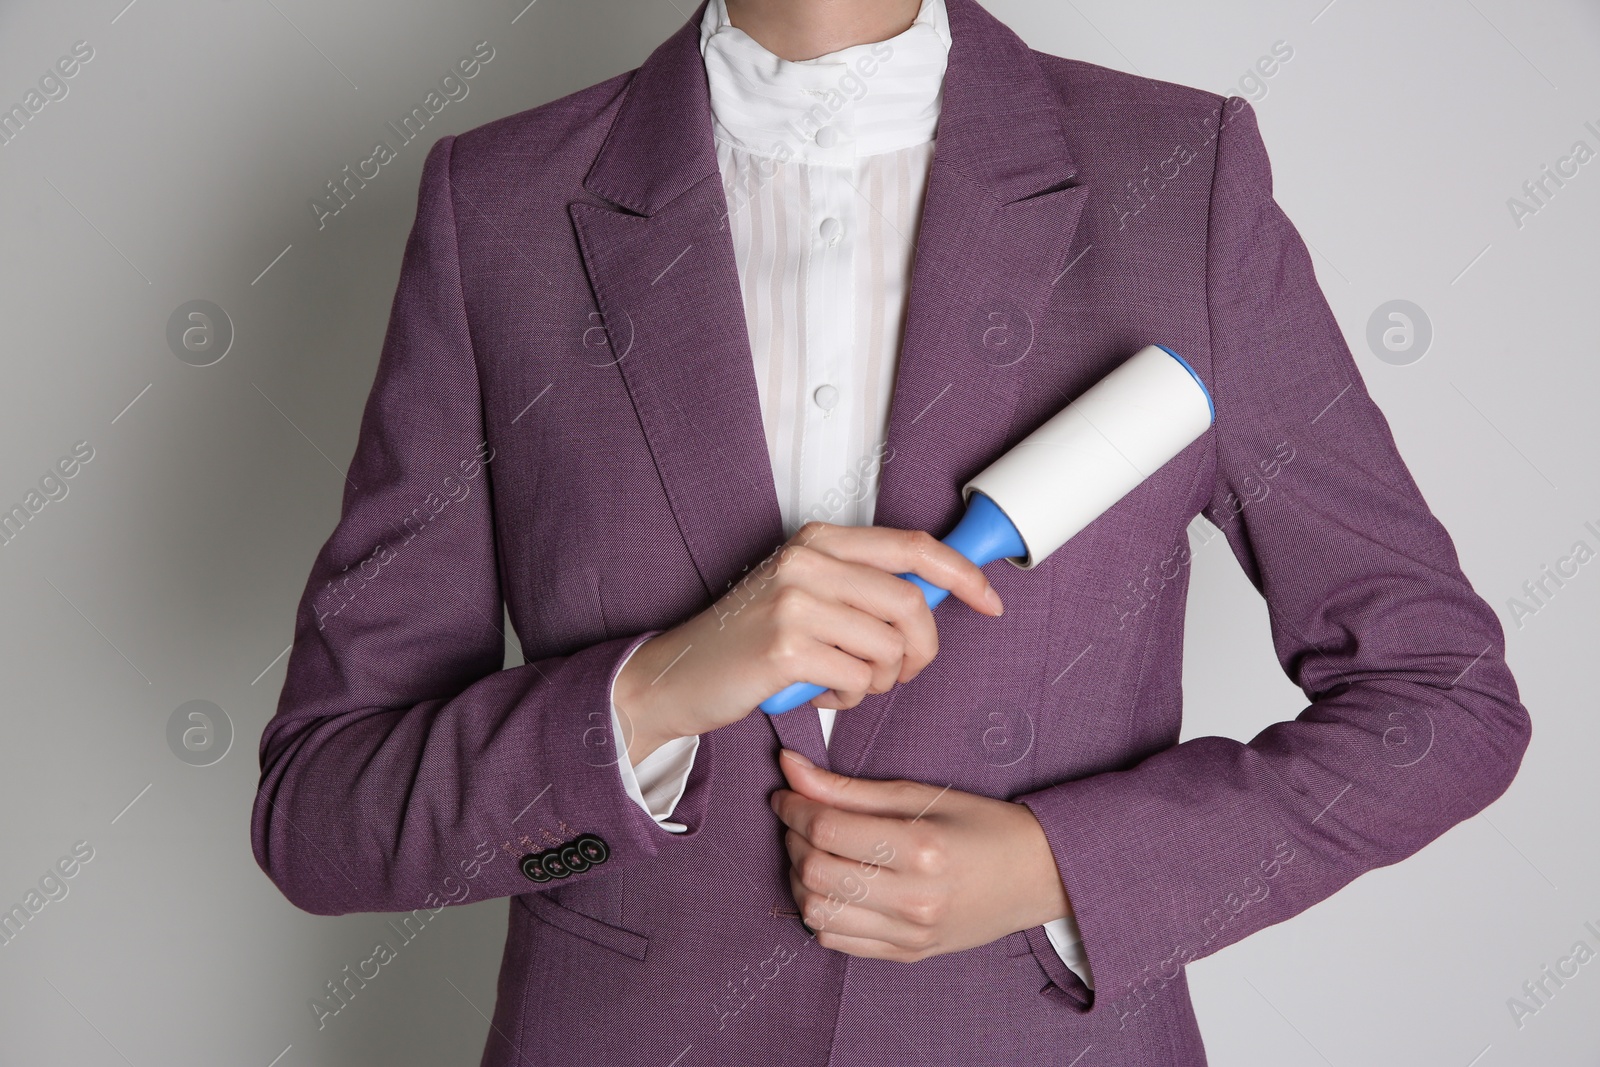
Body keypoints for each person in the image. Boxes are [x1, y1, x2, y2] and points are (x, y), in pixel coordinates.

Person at [251, 0, 1531, 1062]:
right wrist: (657, 689)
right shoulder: (502, 208)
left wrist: (1053, 869)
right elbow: (322, 813)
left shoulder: (1173, 176)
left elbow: (1442, 700)